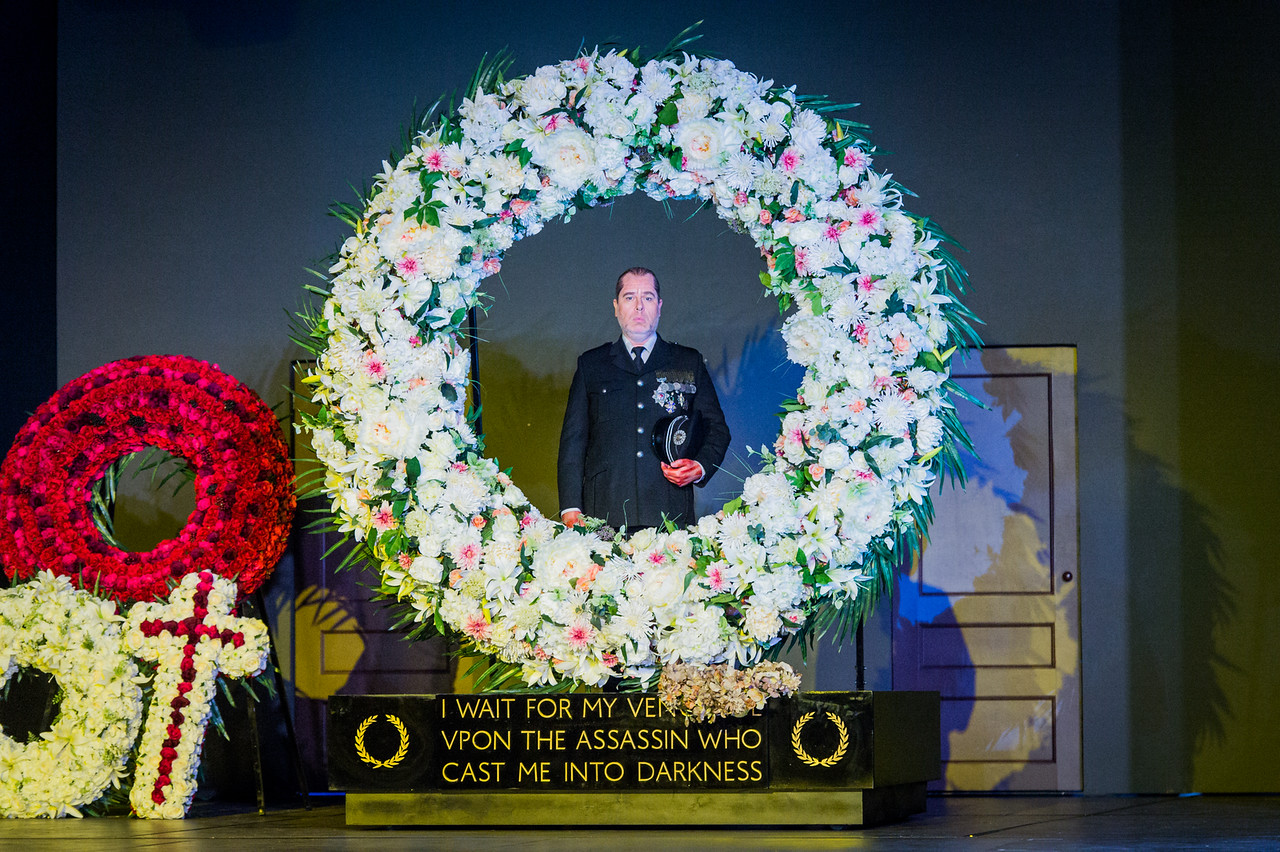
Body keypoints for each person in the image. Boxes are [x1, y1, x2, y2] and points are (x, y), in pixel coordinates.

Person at [558, 267, 731, 531]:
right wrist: (570, 506)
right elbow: (573, 442)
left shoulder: (687, 361)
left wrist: (700, 466)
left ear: (659, 306)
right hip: (604, 512)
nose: (639, 307)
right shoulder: (591, 365)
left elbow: (716, 429)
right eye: (629, 298)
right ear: (616, 307)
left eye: (648, 298)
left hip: (669, 510)